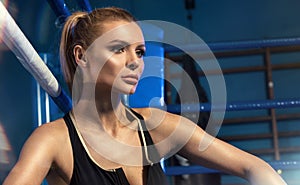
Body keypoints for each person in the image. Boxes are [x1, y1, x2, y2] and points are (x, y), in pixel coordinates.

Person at [3, 7, 287, 185]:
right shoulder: (53, 140)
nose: (135, 61)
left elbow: (253, 166)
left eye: (139, 51)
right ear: (82, 56)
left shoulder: (158, 125)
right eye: (118, 49)